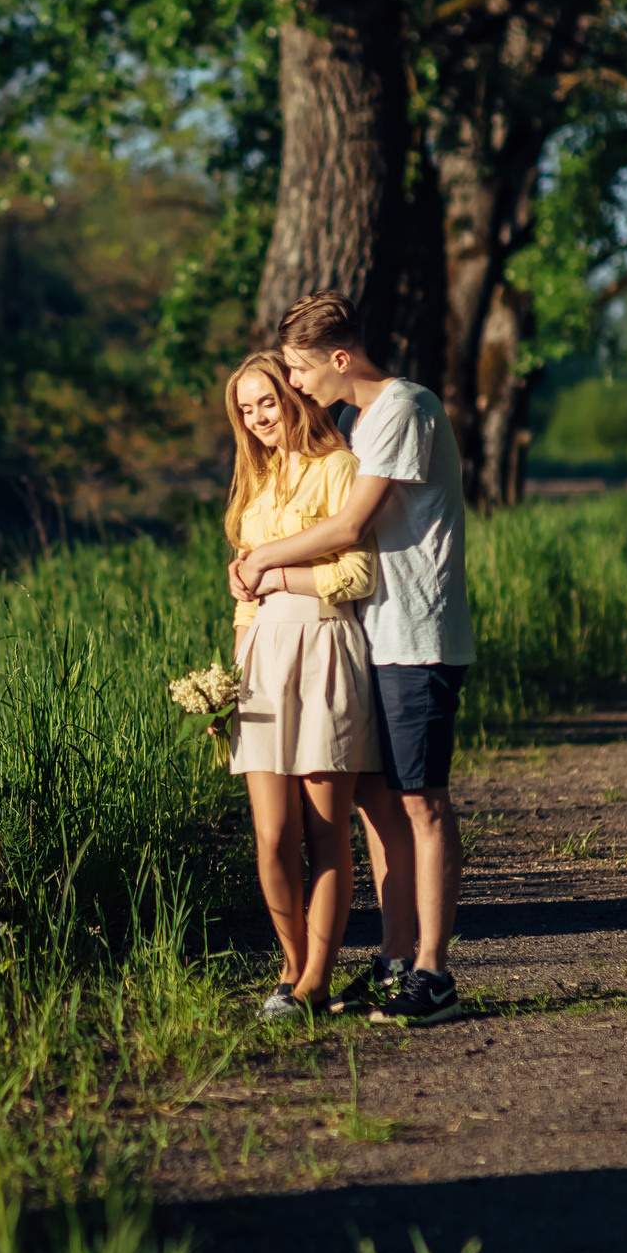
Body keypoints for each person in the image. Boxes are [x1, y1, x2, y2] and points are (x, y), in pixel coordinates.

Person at [232, 292, 473, 1028]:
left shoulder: (404, 406)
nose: (296, 384)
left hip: (415, 633)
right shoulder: (357, 421)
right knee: (376, 802)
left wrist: (263, 558)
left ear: (340, 358)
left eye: (302, 370)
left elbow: (348, 524)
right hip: (367, 637)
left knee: (421, 800)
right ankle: (397, 956)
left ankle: (433, 968)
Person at [220, 350, 380, 1023]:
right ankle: (290, 964)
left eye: (267, 402)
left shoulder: (337, 467)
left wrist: (276, 574)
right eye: (246, 409)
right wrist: (231, 674)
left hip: (322, 646)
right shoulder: (254, 482)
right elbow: (244, 594)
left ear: (294, 396)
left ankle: (315, 977)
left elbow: (358, 575)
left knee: (323, 830)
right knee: (271, 833)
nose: (259, 418)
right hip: (262, 659)